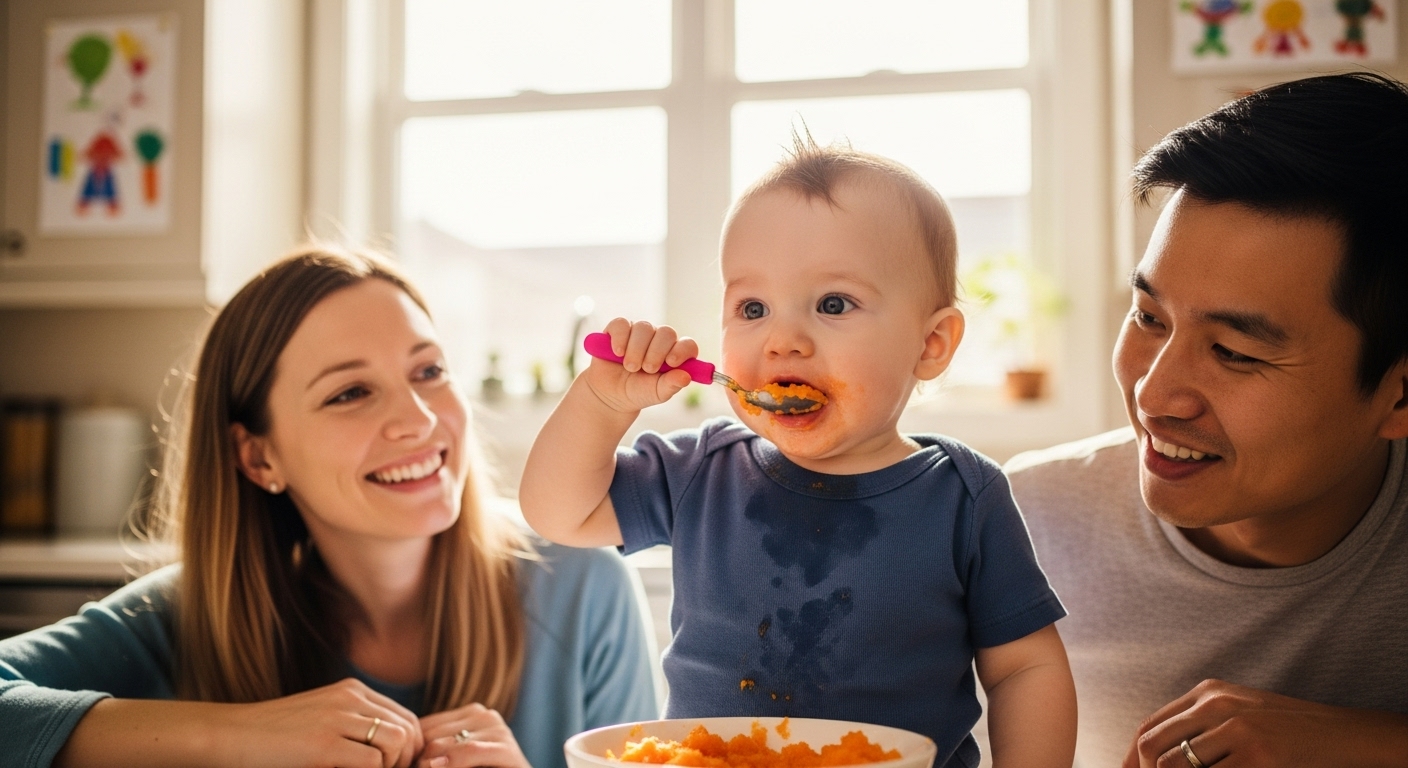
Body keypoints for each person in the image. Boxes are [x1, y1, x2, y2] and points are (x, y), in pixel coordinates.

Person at [520, 139, 1077, 768]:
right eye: (752, 308)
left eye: (833, 304)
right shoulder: (701, 471)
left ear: (931, 343)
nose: (783, 340)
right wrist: (601, 401)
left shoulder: (964, 495)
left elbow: (1025, 668)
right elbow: (557, 511)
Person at [0, 248, 658, 768]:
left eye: (428, 371)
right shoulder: (183, 617)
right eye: (349, 393)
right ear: (258, 458)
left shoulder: (584, 585)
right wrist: (236, 737)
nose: (419, 420)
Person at [1006, 72, 1408, 768]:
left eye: (1233, 351)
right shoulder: (1019, 523)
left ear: (1398, 396)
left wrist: (1363, 744)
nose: (1154, 394)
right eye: (1148, 317)